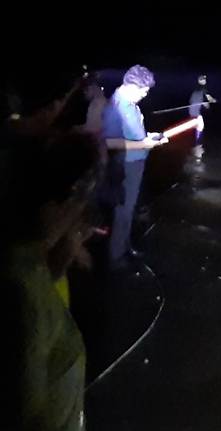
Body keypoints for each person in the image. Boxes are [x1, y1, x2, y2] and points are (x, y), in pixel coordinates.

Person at [4, 129, 100, 431]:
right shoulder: (21, 295)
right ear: (51, 208)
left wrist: (64, 254)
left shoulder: (31, 264)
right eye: (77, 202)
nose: (81, 213)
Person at [102, 65, 167, 268]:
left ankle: (126, 246)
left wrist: (147, 137)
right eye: (143, 90)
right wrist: (143, 144)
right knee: (122, 211)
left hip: (136, 163)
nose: (145, 94)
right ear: (131, 85)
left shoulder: (130, 103)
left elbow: (133, 133)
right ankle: (116, 258)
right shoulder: (116, 107)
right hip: (125, 166)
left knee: (129, 209)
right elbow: (109, 142)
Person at [188, 74, 217, 160]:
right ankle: (198, 149)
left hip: (191, 111)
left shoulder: (194, 89)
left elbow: (192, 100)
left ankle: (196, 147)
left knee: (198, 127)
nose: (205, 81)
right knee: (200, 128)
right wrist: (214, 101)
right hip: (196, 112)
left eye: (205, 79)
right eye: (203, 79)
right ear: (199, 81)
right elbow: (209, 99)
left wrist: (204, 104)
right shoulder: (203, 88)